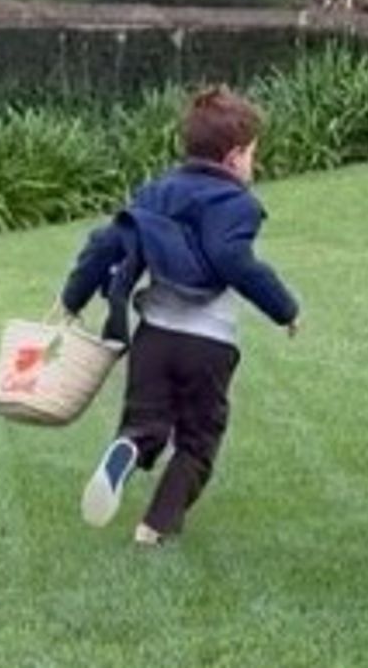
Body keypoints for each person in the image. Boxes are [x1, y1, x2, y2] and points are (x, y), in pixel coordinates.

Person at [60, 86, 300, 546]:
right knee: (197, 441)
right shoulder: (237, 203)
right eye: (253, 153)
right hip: (208, 345)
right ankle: (154, 527)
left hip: (153, 339)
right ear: (234, 157)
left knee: (145, 423)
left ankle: (126, 449)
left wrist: (73, 299)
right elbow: (233, 260)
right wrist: (284, 308)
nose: (254, 163)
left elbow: (106, 244)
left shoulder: (157, 192)